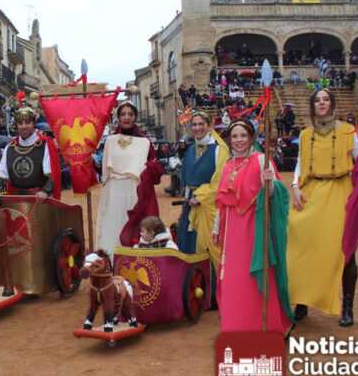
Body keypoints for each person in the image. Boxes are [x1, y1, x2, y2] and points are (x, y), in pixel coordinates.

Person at [287, 89, 358, 327]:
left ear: (332, 104)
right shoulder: (305, 134)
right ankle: (302, 300)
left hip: (339, 192)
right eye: (317, 100)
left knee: (345, 250)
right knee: (300, 243)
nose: (321, 103)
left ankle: (347, 306)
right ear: (312, 106)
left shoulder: (347, 130)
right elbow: (300, 163)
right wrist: (295, 186)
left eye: (325, 99)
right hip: (311, 191)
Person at [212, 120, 293, 333]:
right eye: (235, 136)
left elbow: (277, 196)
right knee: (233, 279)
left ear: (251, 138)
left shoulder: (261, 160)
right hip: (231, 231)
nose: (239, 140)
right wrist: (216, 226)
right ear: (229, 139)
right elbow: (222, 202)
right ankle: (235, 326)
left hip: (253, 230)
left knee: (250, 277)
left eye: (243, 136)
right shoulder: (227, 165)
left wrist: (269, 184)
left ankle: (259, 326)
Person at [94, 102, 163, 259]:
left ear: (135, 117)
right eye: (123, 114)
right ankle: (111, 261)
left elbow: (154, 169)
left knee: (132, 225)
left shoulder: (145, 142)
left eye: (130, 114)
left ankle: (132, 263)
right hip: (113, 191)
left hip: (134, 190)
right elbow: (103, 170)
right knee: (112, 225)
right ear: (118, 117)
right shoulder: (110, 141)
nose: (126, 117)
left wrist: (152, 168)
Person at [176, 111, 229, 255]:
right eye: (194, 125)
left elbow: (221, 181)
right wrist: (187, 197)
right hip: (189, 206)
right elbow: (187, 177)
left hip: (209, 206)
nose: (197, 128)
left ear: (209, 126)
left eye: (201, 124)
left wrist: (201, 197)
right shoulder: (190, 149)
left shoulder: (220, 151)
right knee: (188, 243)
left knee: (209, 246)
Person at [0, 106, 61, 200]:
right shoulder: (10, 147)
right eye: (20, 123)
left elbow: (52, 174)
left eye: (27, 122)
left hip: (39, 199)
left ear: (34, 124)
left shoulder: (45, 145)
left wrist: (45, 192)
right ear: (16, 125)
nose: (24, 126)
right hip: (15, 199)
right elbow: (2, 176)